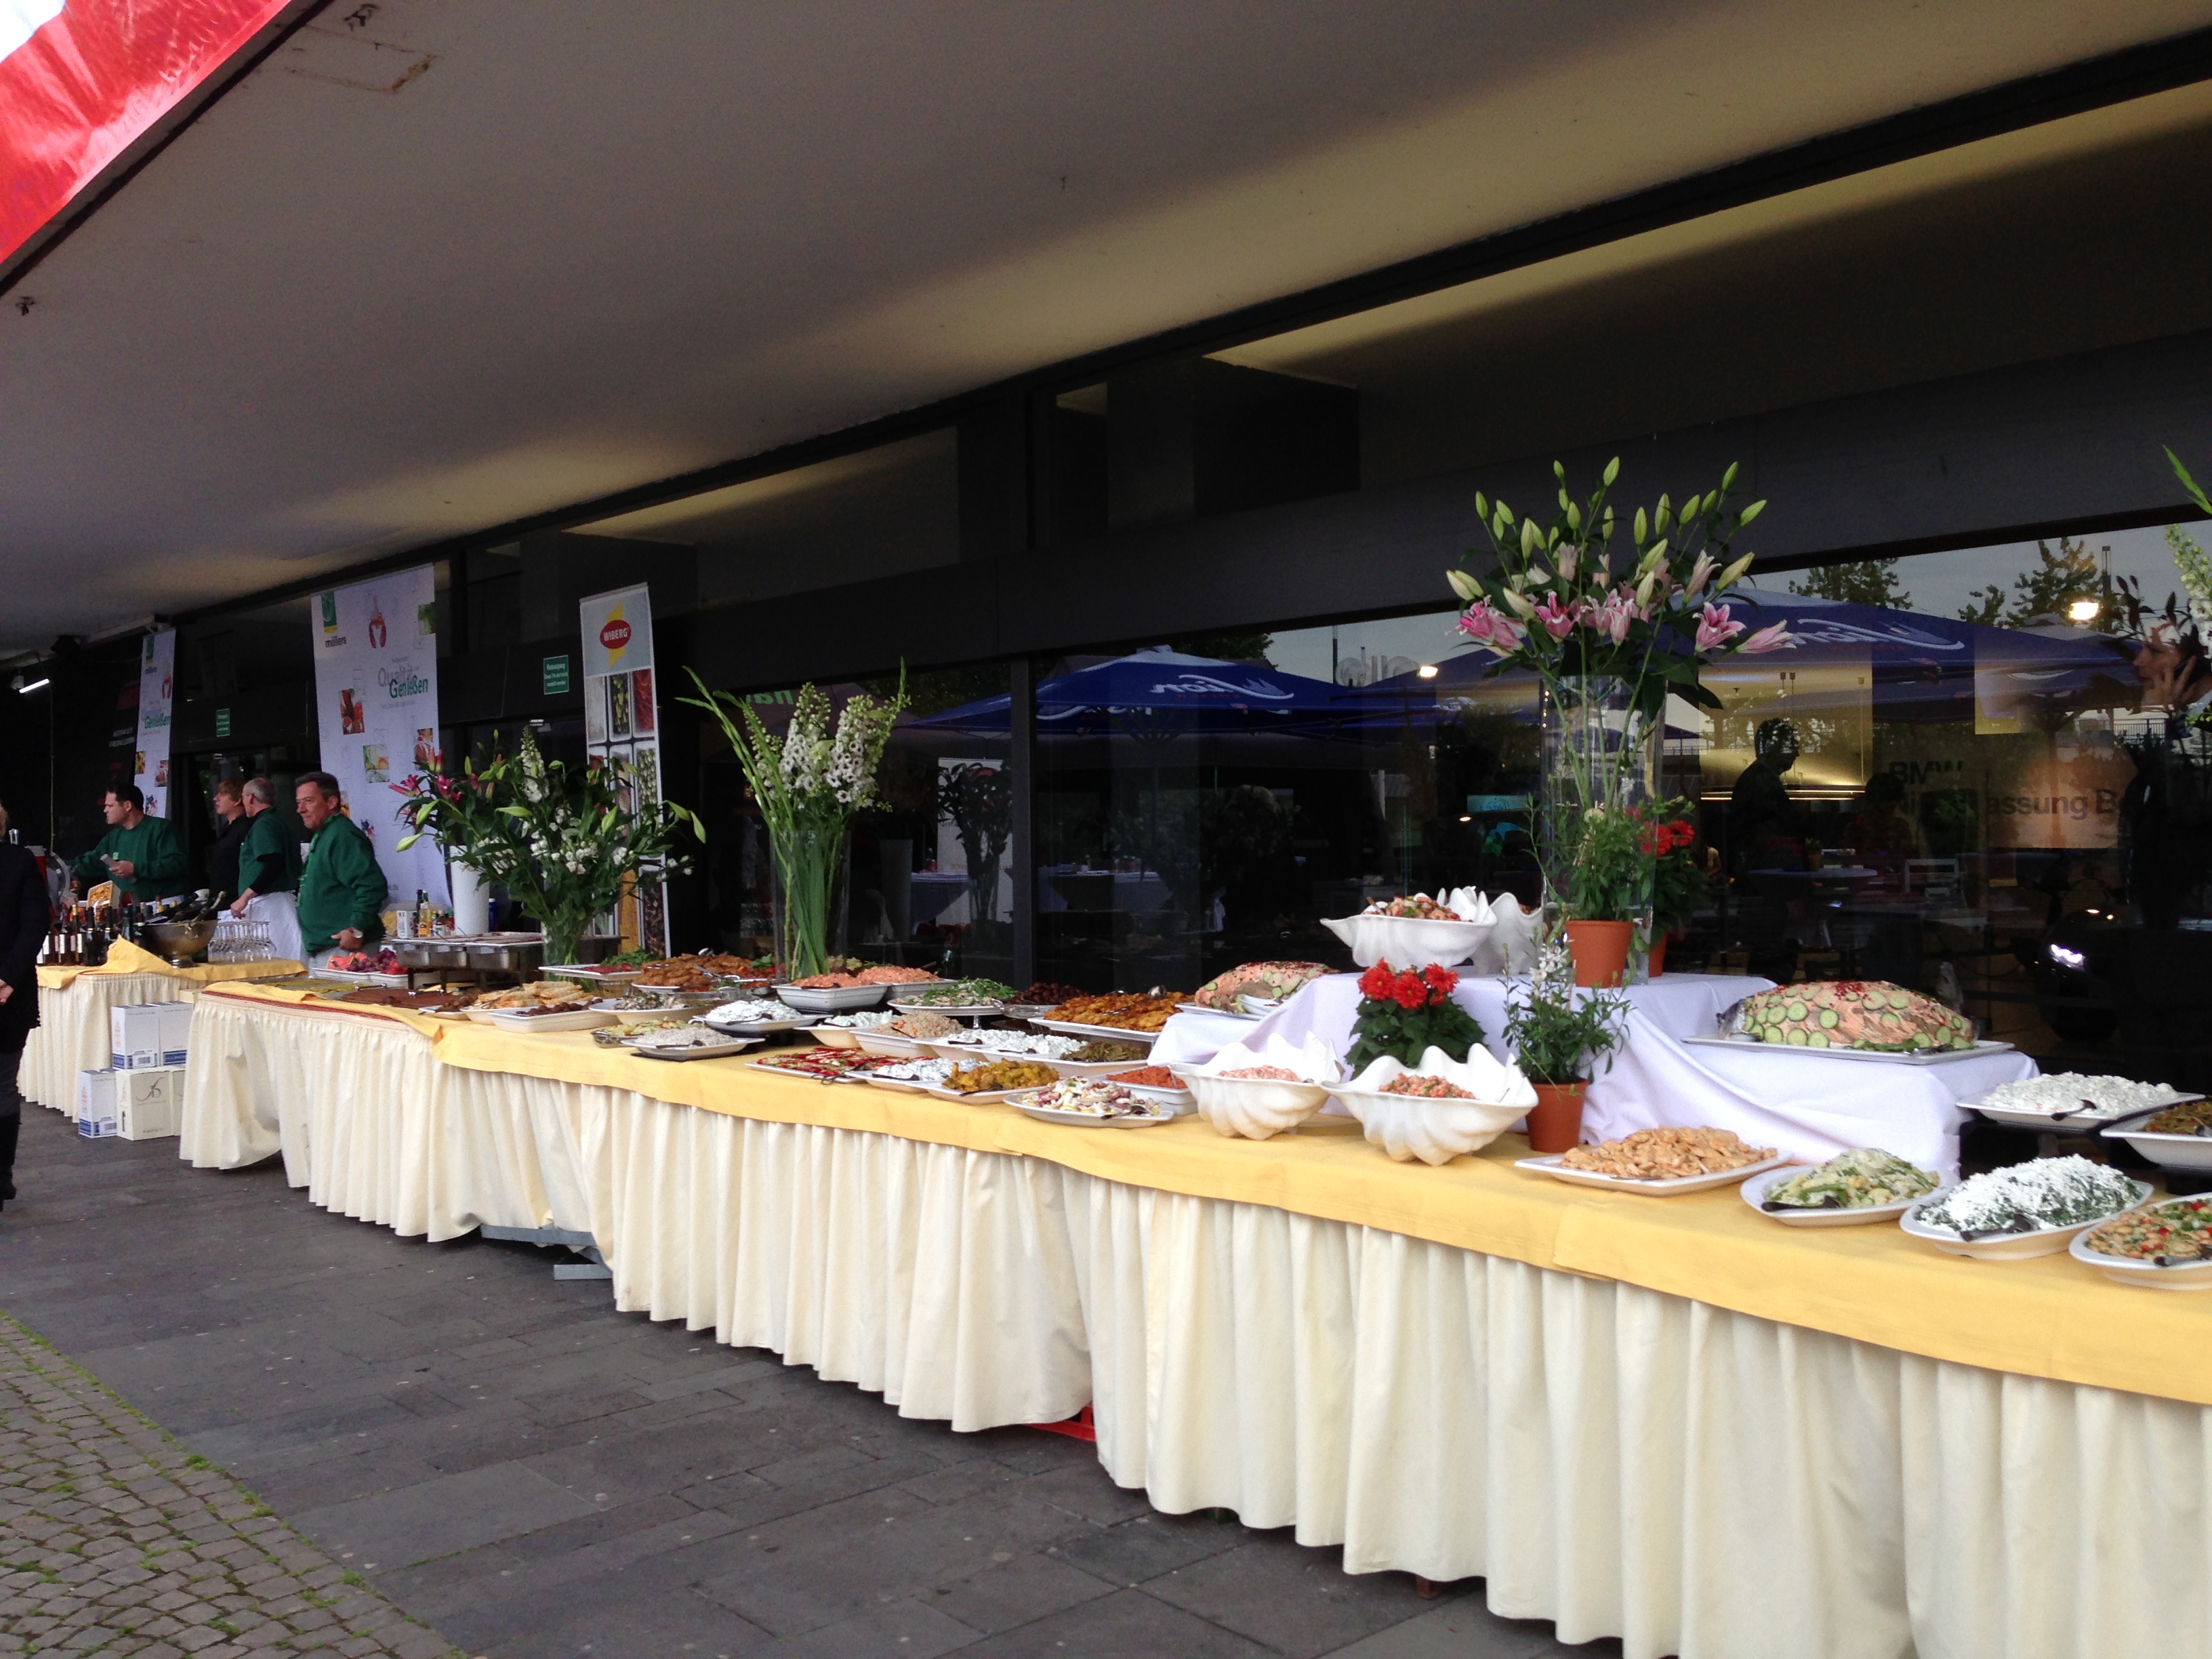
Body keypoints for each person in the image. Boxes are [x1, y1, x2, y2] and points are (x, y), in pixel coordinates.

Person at [0, 800, 52, 1212]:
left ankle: (1, 1174)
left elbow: (36, 924)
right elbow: (35, 924)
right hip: (9, 990)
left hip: (8, 995)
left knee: (2, 1084)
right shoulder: (20, 862)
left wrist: (7, 979)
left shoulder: (19, 862)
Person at [295, 773, 387, 969]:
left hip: (344, 948)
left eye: (309, 801)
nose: (301, 809)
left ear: (331, 802)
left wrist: (357, 929)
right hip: (325, 947)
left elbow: (372, 886)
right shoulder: (325, 834)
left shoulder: (343, 835)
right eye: (299, 803)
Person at [228, 777, 305, 963]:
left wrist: (244, 898)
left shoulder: (264, 825)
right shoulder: (278, 822)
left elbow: (274, 863)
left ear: (251, 798)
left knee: (272, 963)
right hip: (279, 903)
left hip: (270, 906)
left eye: (243, 797)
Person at [69, 784, 189, 901]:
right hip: (130, 909)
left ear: (127, 806)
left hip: (166, 906)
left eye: (110, 806)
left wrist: (136, 869)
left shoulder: (161, 828)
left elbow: (177, 864)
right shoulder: (113, 837)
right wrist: (62, 867)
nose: (105, 810)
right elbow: (90, 862)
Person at [1729, 718, 1803, 874]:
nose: (1797, 754)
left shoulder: (1759, 777)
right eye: (1791, 746)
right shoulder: (1761, 781)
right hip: (1766, 868)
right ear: (1774, 748)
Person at [207, 777, 251, 898]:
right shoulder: (228, 827)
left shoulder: (245, 828)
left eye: (222, 795)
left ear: (237, 800)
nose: (216, 798)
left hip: (236, 900)